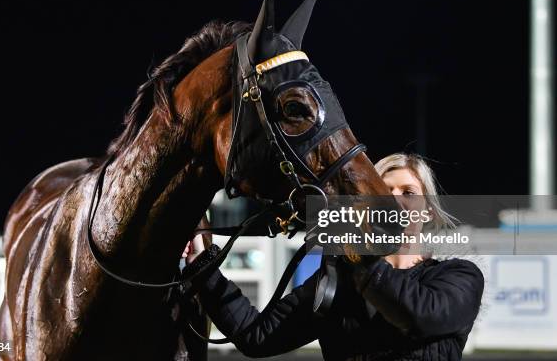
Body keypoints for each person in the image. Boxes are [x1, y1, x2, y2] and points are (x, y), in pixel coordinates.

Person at [183, 153, 484, 360]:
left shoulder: (459, 276)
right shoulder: (338, 280)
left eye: (408, 192)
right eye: (384, 192)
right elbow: (257, 337)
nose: (394, 201)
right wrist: (203, 266)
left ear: (428, 210)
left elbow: (417, 316)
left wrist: (359, 256)